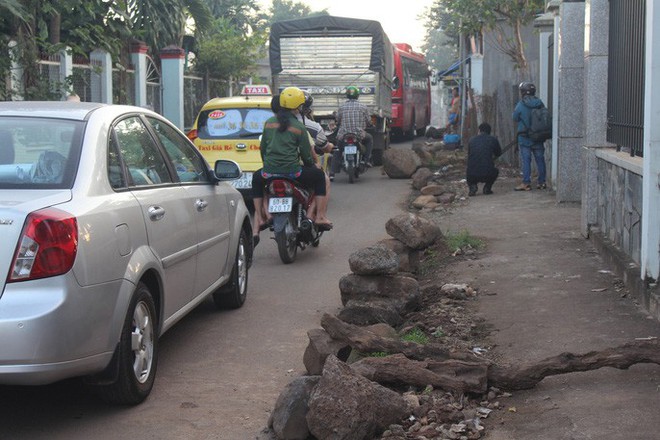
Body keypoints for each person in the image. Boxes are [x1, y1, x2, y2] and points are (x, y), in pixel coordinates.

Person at [251, 87, 332, 246]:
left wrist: (267, 165)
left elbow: (263, 148)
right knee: (320, 178)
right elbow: (306, 155)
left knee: (256, 179)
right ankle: (320, 216)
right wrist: (312, 166)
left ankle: (260, 217)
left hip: (268, 172)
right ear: (299, 107)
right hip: (293, 172)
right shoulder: (299, 127)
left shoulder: (268, 124)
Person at [513, 81, 547, 191]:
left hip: (525, 137)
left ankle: (526, 183)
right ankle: (542, 182)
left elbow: (515, 118)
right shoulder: (540, 102)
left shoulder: (521, 104)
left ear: (522, 92)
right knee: (540, 160)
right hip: (538, 137)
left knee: (526, 160)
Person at [335, 86, 373, 173]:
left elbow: (338, 120)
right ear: (357, 96)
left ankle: (338, 161)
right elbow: (368, 121)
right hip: (359, 134)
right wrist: (370, 124)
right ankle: (366, 160)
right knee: (370, 139)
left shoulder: (342, 107)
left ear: (347, 95)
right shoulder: (363, 106)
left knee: (338, 145)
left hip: (344, 134)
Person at [466, 122, 502, 196]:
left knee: (469, 170)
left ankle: (472, 186)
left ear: (479, 130)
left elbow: (470, 154)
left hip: (472, 174)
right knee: (495, 171)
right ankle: (487, 188)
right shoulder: (493, 139)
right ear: (489, 131)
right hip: (487, 173)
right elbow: (498, 153)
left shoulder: (472, 140)